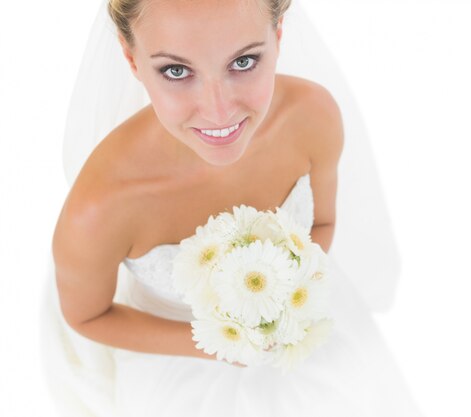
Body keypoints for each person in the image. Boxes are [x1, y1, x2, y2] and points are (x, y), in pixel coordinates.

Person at [42, 0, 424, 416]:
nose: (219, 111)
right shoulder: (100, 207)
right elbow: (86, 317)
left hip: (306, 339)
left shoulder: (313, 117)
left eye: (244, 61)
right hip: (179, 380)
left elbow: (324, 224)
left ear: (278, 37)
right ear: (131, 59)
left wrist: (285, 309)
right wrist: (224, 344)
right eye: (176, 71)